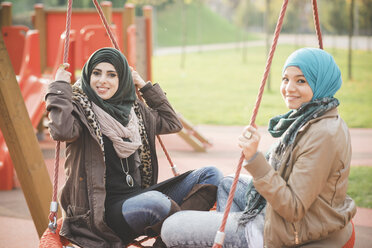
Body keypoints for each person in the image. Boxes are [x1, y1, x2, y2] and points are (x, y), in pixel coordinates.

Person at [161, 48, 356, 247]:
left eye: (301, 81)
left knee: (172, 226)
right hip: (288, 217)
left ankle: (246, 237)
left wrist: (254, 158)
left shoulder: (322, 135)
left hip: (289, 230)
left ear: (321, 83)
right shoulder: (311, 118)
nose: (288, 88)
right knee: (228, 184)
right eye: (285, 79)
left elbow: (293, 208)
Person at [45, 47, 223, 247]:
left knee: (211, 175)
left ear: (123, 80)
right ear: (88, 76)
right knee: (155, 202)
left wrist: (145, 87)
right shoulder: (80, 112)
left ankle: (168, 242)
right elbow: (60, 131)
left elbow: (172, 122)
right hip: (101, 214)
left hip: (138, 198)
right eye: (96, 73)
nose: (102, 80)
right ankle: (186, 235)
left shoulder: (134, 112)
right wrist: (59, 87)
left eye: (112, 75)